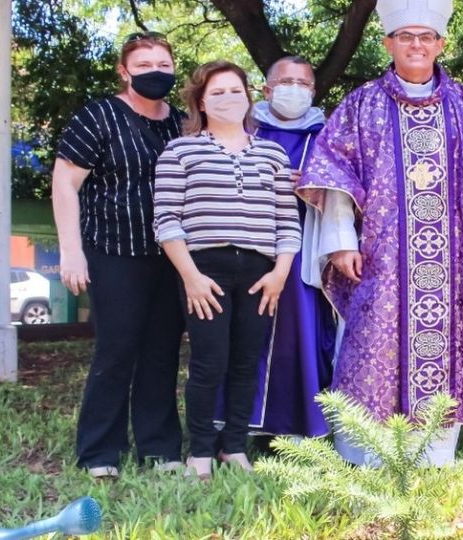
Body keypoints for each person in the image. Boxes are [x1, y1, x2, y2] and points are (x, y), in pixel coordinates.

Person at [296, 0, 463, 465]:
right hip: (381, 256)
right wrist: (340, 240)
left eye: (426, 37)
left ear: (441, 44)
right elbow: (335, 171)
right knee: (369, 345)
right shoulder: (361, 103)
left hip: (451, 260)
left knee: (445, 352)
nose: (416, 45)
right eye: (406, 37)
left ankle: (433, 457)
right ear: (388, 43)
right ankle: (365, 455)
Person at [154, 60, 301, 479]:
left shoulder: (272, 153)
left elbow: (287, 223)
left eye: (235, 90)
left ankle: (233, 446)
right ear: (200, 100)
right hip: (204, 269)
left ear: (249, 96)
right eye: (217, 92)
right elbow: (166, 219)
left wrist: (280, 273)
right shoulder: (180, 151)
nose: (228, 98)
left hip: (261, 271)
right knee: (209, 361)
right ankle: (200, 450)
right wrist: (191, 277)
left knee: (246, 361)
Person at [52, 32, 185, 478]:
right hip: (113, 252)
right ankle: (99, 452)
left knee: (163, 351)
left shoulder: (182, 122)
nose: (155, 72)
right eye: (144, 64)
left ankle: (160, 446)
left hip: (171, 257)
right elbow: (65, 183)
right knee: (116, 349)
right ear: (124, 71)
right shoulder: (99, 116)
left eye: (163, 64)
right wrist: (71, 251)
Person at [225, 55, 337, 442]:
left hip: (305, 246)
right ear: (267, 89)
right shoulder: (242, 129)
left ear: (313, 91)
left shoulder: (329, 136)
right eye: (285, 82)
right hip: (247, 245)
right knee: (242, 331)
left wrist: (314, 186)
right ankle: (236, 426)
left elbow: (352, 190)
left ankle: (295, 427)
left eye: (303, 83)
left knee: (299, 331)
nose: (295, 90)